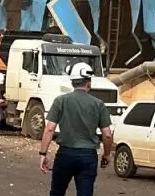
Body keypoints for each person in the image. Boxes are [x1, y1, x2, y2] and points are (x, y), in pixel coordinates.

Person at [39, 62, 113, 196]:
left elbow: (49, 129)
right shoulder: (98, 104)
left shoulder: (60, 101)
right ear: (88, 83)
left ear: (72, 82)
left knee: (57, 192)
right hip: (88, 156)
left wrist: (43, 154)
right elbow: (107, 134)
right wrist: (106, 154)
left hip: (65, 154)